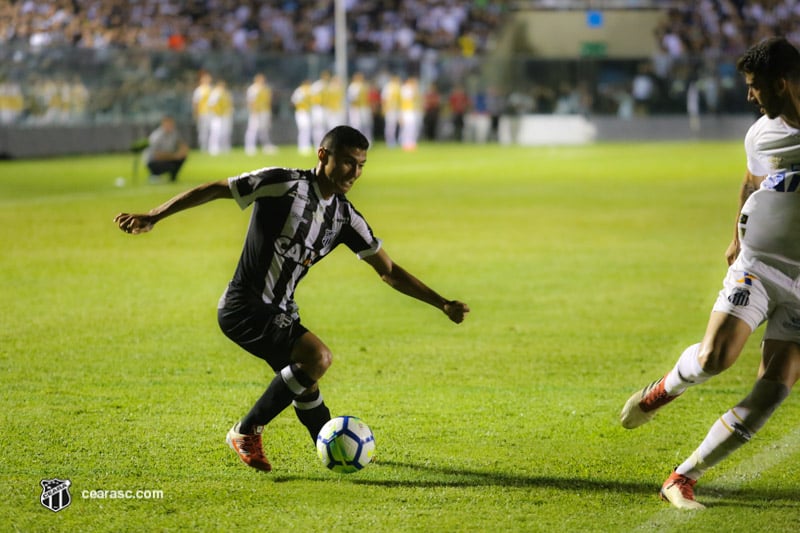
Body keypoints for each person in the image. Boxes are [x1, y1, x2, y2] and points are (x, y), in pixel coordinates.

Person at [113, 125, 470, 472]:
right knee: (317, 356)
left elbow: (389, 270)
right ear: (322, 155)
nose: (354, 172)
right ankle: (246, 431)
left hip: (281, 309)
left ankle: (331, 443)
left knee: (304, 380)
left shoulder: (344, 217)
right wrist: (155, 215)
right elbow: (218, 189)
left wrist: (441, 302)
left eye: (361, 164)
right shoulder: (283, 183)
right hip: (244, 306)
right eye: (347, 161)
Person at [620, 36, 800, 510]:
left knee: (772, 391)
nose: (749, 96)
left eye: (755, 86)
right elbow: (752, 181)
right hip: (759, 265)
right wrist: (737, 238)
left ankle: (682, 476)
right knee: (717, 357)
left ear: (781, 84)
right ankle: (663, 390)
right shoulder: (762, 133)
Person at [146, 116, 189, 183]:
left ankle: (173, 178)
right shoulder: (157, 136)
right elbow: (156, 155)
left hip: (169, 157)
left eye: (171, 125)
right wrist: (174, 156)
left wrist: (182, 152)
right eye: (168, 125)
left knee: (182, 158)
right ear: (163, 124)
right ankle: (155, 175)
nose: (170, 126)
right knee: (172, 165)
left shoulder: (174, 133)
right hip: (153, 161)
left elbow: (182, 145)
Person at [244, 74, 277, 155]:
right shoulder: (253, 89)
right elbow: (251, 101)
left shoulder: (265, 88)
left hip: (265, 111)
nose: (262, 81)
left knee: (264, 130)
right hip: (257, 111)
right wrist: (254, 111)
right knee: (253, 129)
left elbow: (268, 101)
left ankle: (266, 146)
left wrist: (269, 112)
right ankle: (250, 147)